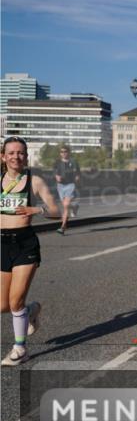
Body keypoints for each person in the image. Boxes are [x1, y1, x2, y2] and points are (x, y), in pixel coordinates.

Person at [2, 136, 60, 366]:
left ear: (26, 157)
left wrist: (36, 208)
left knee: (15, 301)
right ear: (3, 156)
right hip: (2, 244)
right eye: (12, 152)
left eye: (21, 153)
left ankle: (20, 349)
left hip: (25, 244)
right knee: (4, 306)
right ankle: (32, 310)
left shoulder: (34, 181)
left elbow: (56, 209)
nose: (16, 156)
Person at [52, 145, 80, 235]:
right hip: (60, 186)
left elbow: (77, 173)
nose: (63, 153)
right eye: (61, 152)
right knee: (65, 206)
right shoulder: (57, 162)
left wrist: (77, 178)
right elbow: (55, 172)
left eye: (65, 151)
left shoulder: (74, 162)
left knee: (66, 205)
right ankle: (75, 207)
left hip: (70, 185)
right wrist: (57, 177)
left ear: (68, 152)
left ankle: (63, 227)